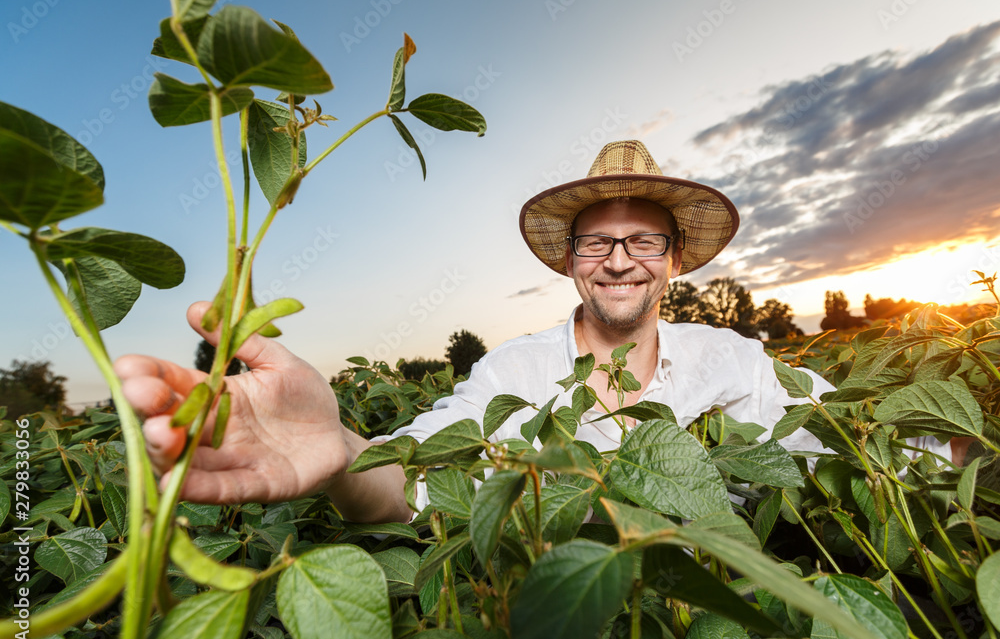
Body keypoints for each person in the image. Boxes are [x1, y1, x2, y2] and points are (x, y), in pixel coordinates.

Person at [114, 140, 952, 523]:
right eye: (597, 239)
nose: (619, 258)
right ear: (570, 260)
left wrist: (961, 445)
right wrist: (337, 450)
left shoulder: (737, 362)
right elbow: (405, 486)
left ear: (675, 259)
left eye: (644, 239)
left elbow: (870, 458)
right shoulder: (510, 375)